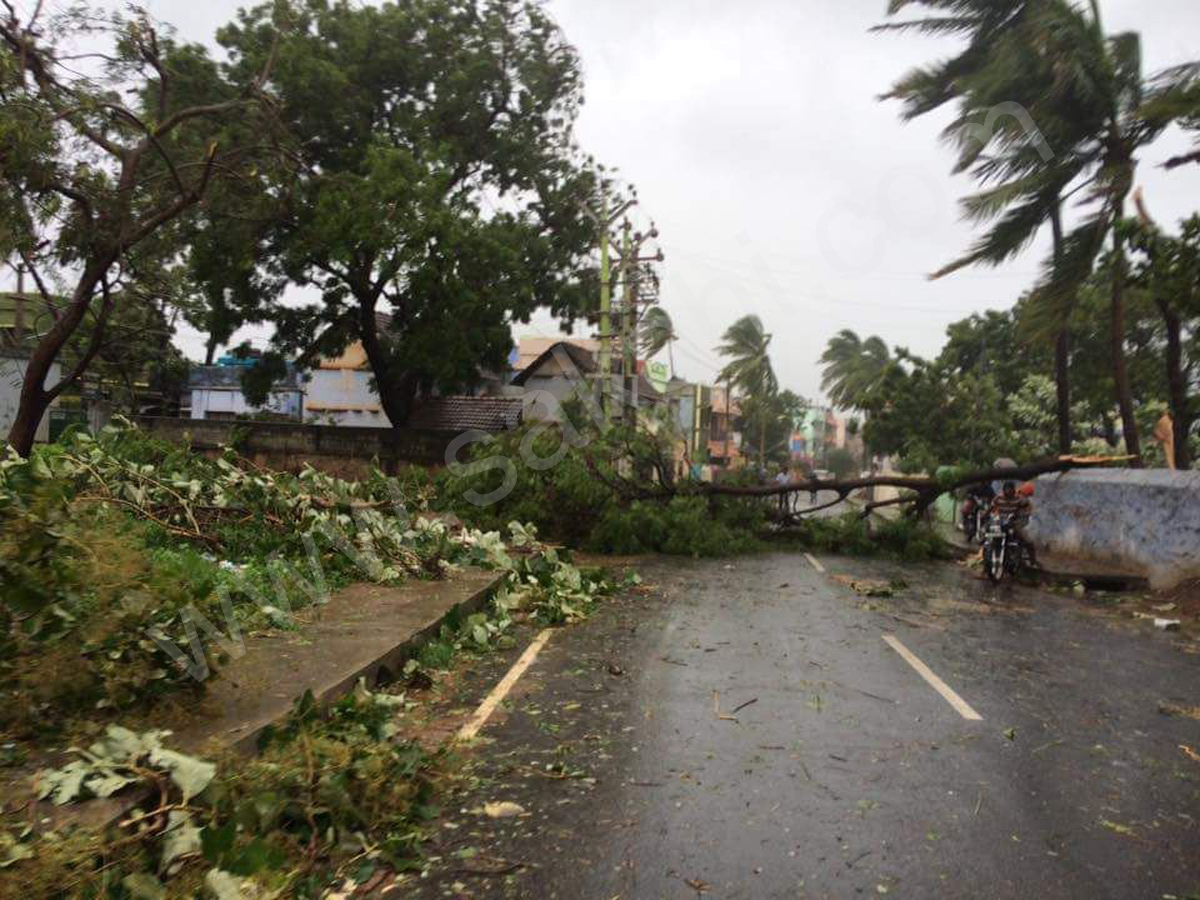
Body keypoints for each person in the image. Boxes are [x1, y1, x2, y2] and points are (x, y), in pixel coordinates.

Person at [990, 480, 1038, 568]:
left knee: (1027, 541)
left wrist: (1024, 513)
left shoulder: (1019, 499)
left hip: (1014, 524)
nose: (1008, 491)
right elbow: (992, 507)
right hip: (1002, 523)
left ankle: (1032, 561)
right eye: (1006, 489)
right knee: (991, 538)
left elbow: (1027, 508)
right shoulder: (1000, 498)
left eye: (1010, 489)